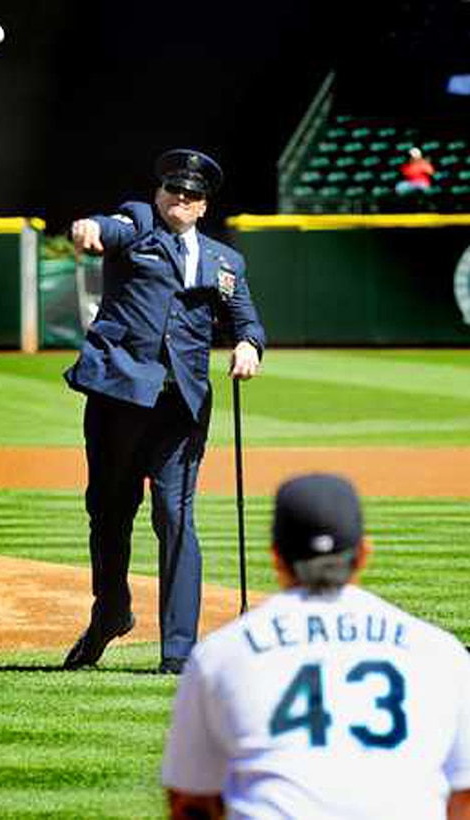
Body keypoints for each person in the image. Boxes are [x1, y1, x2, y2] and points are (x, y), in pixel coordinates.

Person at [62, 148, 266, 674]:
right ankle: (111, 612)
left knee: (177, 518)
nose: (181, 196)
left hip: (183, 408)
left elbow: (248, 320)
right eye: (174, 188)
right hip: (120, 398)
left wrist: (249, 346)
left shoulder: (226, 262)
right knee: (110, 512)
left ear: (204, 206)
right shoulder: (141, 223)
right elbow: (112, 227)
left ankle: (179, 654)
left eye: (192, 193)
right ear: (160, 193)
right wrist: (90, 228)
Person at [162, 472, 470, 819]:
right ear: (364, 553)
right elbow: (464, 799)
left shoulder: (219, 655)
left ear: (277, 557)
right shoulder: (440, 652)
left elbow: (190, 802)